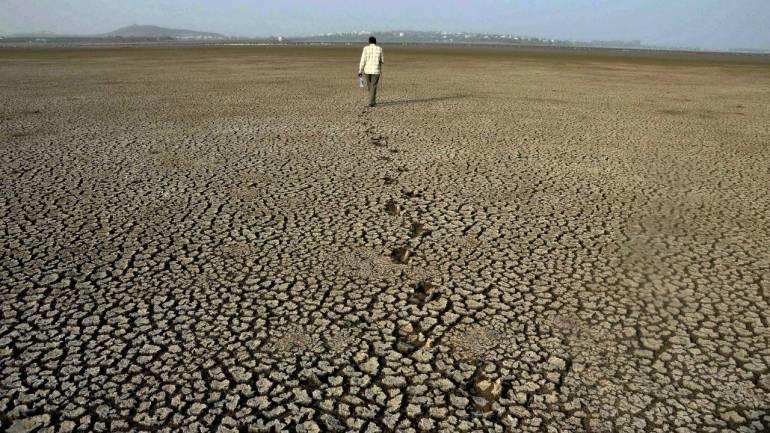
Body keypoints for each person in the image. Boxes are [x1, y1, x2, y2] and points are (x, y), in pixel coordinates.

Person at [358, 36, 384, 107]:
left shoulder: (365, 48)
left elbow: (362, 60)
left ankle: (371, 102)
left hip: (367, 70)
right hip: (376, 70)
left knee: (370, 86)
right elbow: (382, 60)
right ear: (375, 42)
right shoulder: (380, 49)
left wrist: (360, 70)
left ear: (369, 42)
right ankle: (372, 101)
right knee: (373, 86)